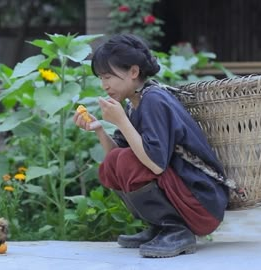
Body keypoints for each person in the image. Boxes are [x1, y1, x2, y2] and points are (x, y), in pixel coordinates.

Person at [73, 34, 229, 258]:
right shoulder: (133, 104)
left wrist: (121, 121)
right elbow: (116, 161)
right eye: (101, 78)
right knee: (113, 163)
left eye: (108, 76)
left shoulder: (154, 100)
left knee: (125, 161)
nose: (104, 85)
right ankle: (160, 226)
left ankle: (177, 230)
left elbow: (155, 164)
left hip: (201, 204)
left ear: (133, 72)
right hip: (184, 197)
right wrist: (99, 129)